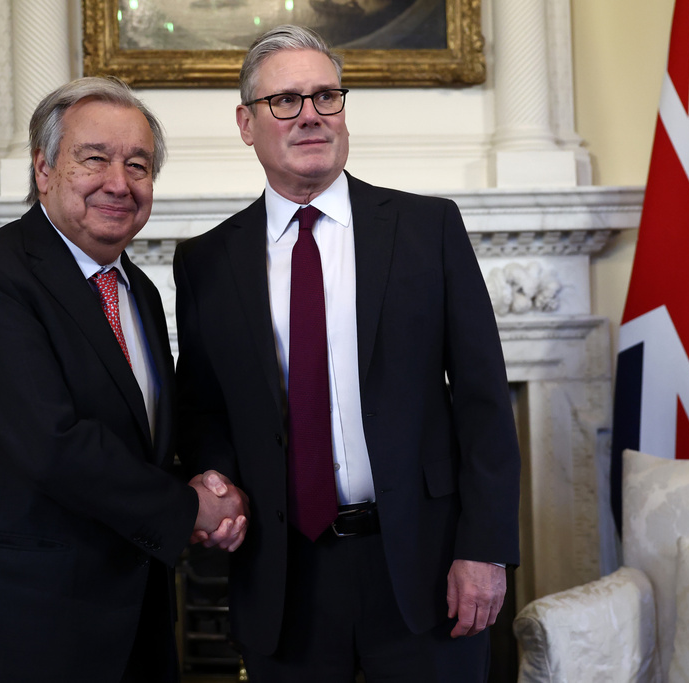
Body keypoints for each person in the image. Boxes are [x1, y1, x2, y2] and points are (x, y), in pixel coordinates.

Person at [173, 26, 521, 682]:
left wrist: (485, 548)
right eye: (286, 101)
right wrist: (215, 483)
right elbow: (205, 409)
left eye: (326, 96)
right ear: (246, 124)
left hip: (426, 568)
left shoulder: (428, 230)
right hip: (285, 579)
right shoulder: (206, 262)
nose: (310, 114)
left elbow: (482, 399)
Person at [0, 77, 248, 683]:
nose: (119, 182)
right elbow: (50, 445)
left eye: (138, 165)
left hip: (123, 624)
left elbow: (144, 439)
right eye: (94, 159)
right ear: (43, 169)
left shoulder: (136, 291)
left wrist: (210, 477)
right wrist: (191, 507)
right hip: (4, 630)